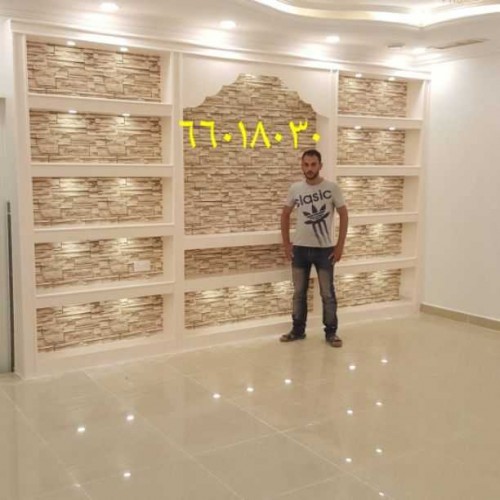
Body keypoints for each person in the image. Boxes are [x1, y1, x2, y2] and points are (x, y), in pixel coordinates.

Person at [280, 149, 348, 347]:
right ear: (302, 166)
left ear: (320, 166)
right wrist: (286, 244)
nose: (309, 168)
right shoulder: (295, 189)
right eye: (306, 165)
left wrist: (340, 246)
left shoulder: (332, 188)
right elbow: (285, 214)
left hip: (325, 250)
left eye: (313, 164)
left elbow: (344, 215)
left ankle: (331, 333)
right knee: (298, 293)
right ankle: (298, 330)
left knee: (327, 293)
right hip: (300, 249)